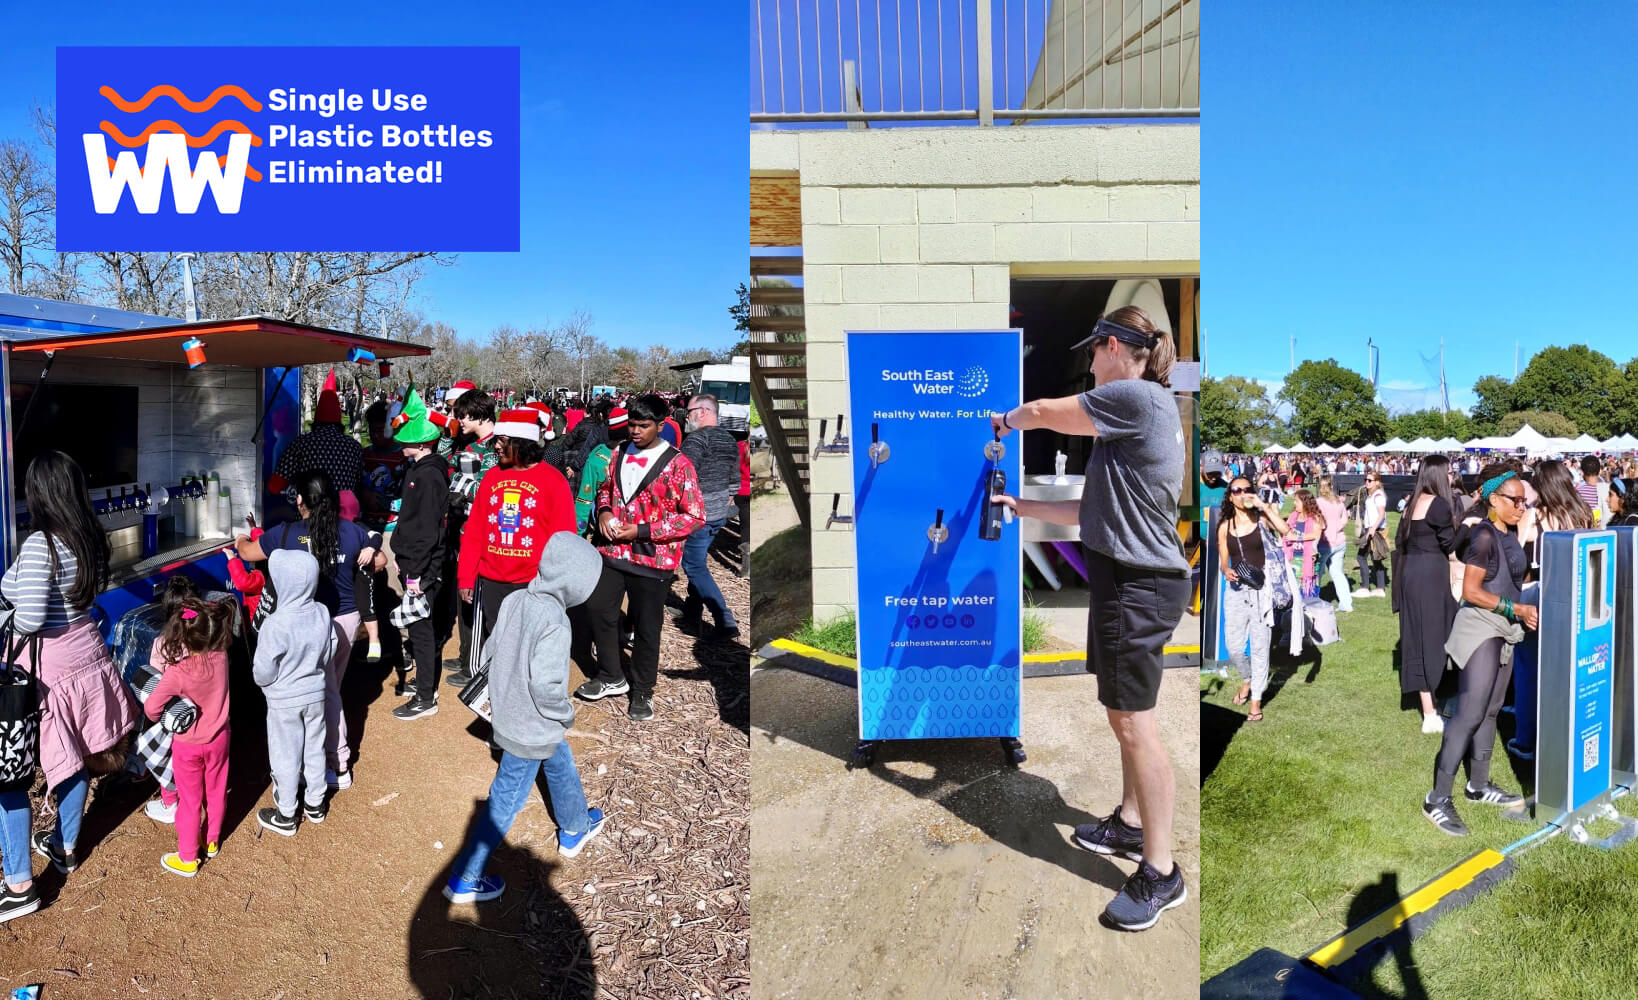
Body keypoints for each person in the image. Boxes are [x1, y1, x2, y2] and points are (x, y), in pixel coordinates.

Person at [986, 306, 1190, 931]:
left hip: (1139, 586)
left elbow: (1045, 412)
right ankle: (1131, 825)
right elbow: (1096, 509)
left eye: (1092, 352)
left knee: (1136, 724)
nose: (1089, 364)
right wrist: (1022, 506)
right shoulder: (1136, 415)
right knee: (1122, 716)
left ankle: (1162, 871)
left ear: (1113, 347)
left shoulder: (1137, 397)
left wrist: (1004, 420)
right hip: (1122, 579)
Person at [0, 451, 139, 917]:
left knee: (20, 769)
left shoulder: (41, 542)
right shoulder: (86, 536)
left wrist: (7, 613)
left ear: (39, 493)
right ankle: (63, 844)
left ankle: (21, 885)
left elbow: (34, 616)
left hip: (50, 668)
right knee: (76, 753)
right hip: (87, 652)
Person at [444, 533, 608, 905]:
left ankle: (575, 827)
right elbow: (547, 686)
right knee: (506, 797)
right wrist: (564, 712)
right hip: (530, 725)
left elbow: (489, 650)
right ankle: (466, 879)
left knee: (558, 756)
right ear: (575, 582)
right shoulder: (555, 621)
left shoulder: (518, 599)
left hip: (510, 714)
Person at [235, 469, 380, 790]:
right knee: (329, 689)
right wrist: (371, 550)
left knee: (324, 693)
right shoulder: (351, 531)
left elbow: (247, 553)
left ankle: (337, 764)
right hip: (346, 620)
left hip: (305, 624)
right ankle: (322, 759)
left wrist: (241, 538)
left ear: (299, 499)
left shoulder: (284, 534)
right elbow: (379, 561)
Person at [576, 394, 706, 722]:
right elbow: (606, 489)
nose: (635, 431)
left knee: (647, 628)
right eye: (632, 424)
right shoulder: (618, 452)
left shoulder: (679, 464)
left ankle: (644, 690)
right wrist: (604, 511)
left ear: (660, 425)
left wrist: (642, 531)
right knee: (599, 609)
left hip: (653, 560)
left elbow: (694, 516)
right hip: (613, 551)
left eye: (643, 426)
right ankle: (611, 675)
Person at [1423, 465, 1536, 836]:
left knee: (1490, 710)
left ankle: (1478, 785)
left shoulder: (1509, 533)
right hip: (1481, 630)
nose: (1521, 506)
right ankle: (1437, 798)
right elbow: (1471, 592)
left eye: (1525, 500)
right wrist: (1517, 609)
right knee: (1469, 713)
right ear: (1492, 499)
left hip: (1504, 629)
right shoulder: (1484, 535)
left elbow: (1512, 581)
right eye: (1514, 500)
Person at [449, 409, 578, 688]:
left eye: (502, 440)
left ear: (523, 441)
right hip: (493, 580)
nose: (495, 445)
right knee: (498, 641)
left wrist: (557, 585)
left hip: (533, 583)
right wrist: (466, 577)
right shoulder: (492, 478)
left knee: (530, 645)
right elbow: (475, 531)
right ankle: (499, 696)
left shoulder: (553, 481)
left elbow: (565, 539)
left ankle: (527, 697)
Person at [1504, 461, 1591, 760]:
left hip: (1537, 595)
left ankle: (1526, 739)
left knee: (1528, 668)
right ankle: (1565, 733)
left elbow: (1516, 554)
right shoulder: (1581, 514)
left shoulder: (1535, 515)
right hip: (1576, 597)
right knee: (1566, 669)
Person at [146, 597, 236, 876]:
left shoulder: (177, 673)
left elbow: (151, 709)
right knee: (217, 789)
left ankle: (187, 857)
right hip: (220, 737)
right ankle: (211, 841)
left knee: (189, 799)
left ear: (182, 634)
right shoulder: (221, 658)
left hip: (187, 746)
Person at [253, 550, 337, 836]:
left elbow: (263, 669)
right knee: (315, 747)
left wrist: (268, 686)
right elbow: (330, 649)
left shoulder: (275, 623)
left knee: (285, 754)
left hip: (284, 700)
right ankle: (315, 803)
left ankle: (286, 813)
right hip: (315, 692)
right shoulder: (322, 612)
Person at [386, 388, 451, 719]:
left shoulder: (428, 476)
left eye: (406, 440)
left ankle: (426, 695)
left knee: (422, 630)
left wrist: (415, 574)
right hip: (413, 560)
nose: (401, 445)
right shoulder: (419, 469)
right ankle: (425, 683)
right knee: (420, 626)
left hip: (421, 566)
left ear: (423, 443)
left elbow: (426, 530)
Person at [1393, 456, 1459, 734]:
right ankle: (1434, 710)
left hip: (1412, 574)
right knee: (1436, 636)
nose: (1452, 475)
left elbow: (1401, 541)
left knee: (1418, 637)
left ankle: (1431, 706)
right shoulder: (1439, 505)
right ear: (1438, 474)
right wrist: (1468, 529)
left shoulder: (1411, 503)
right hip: (1431, 575)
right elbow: (1450, 544)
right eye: (1449, 471)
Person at [1219, 476, 1290, 723]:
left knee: (1260, 648)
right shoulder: (1224, 527)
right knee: (1234, 647)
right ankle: (1247, 679)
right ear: (1230, 496)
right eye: (1237, 491)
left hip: (1261, 592)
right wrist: (1226, 570)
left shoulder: (1262, 520)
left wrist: (1262, 504)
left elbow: (1285, 530)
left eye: (1247, 490)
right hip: (1237, 592)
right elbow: (1223, 561)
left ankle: (1256, 701)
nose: (1242, 494)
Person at [443, 389, 501, 683]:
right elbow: (444, 460)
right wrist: (448, 430)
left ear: (477, 413)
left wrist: (460, 495)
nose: (457, 419)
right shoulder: (467, 441)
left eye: (460, 414)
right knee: (462, 594)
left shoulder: (496, 446)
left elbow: (489, 490)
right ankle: (467, 653)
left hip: (481, 534)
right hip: (459, 530)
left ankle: (475, 666)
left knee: (476, 600)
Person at [677, 394, 742, 640]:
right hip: (718, 516)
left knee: (693, 565)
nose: (687, 415)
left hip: (698, 516)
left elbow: (681, 479)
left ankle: (724, 620)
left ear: (703, 411)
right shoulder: (729, 440)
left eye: (689, 410)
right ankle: (691, 611)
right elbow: (734, 481)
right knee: (699, 562)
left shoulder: (696, 441)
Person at [267, 378, 364, 510]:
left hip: (308, 520)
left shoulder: (302, 444)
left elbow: (275, 485)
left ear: (317, 419)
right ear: (339, 421)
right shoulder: (355, 447)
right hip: (342, 520)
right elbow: (359, 486)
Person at [573, 407, 624, 534]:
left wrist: (579, 532)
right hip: (611, 527)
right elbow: (585, 499)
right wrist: (579, 531)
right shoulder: (600, 459)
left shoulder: (597, 456)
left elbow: (584, 499)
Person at [1314, 477, 1353, 613]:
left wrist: (1327, 529)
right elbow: (1345, 519)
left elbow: (1317, 521)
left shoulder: (1319, 502)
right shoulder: (1338, 501)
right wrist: (1336, 528)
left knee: (1316, 574)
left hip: (1325, 543)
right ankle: (1347, 604)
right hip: (1339, 541)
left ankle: (1313, 600)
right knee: (1338, 573)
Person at [1284, 489, 1324, 601]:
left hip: (1307, 559)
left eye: (1296, 501)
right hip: (1292, 558)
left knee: (1307, 590)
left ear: (1305, 502)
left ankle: (1309, 613)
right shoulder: (1293, 516)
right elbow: (1286, 530)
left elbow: (1316, 535)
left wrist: (1297, 537)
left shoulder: (1315, 517)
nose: (1294, 503)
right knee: (1292, 589)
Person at [1355, 471, 1390, 597]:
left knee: (1361, 557)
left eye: (1370, 480)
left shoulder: (1378, 496)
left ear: (1377, 482)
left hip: (1374, 530)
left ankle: (1365, 587)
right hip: (1371, 529)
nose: (1367, 482)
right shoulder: (1371, 495)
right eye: (1366, 479)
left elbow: (1381, 514)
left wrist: (1372, 528)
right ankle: (1380, 588)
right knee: (1376, 559)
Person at [1576, 455, 1611, 525]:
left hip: (1585, 532)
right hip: (1609, 531)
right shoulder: (1610, 490)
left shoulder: (1577, 492)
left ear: (1582, 472)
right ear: (1599, 471)